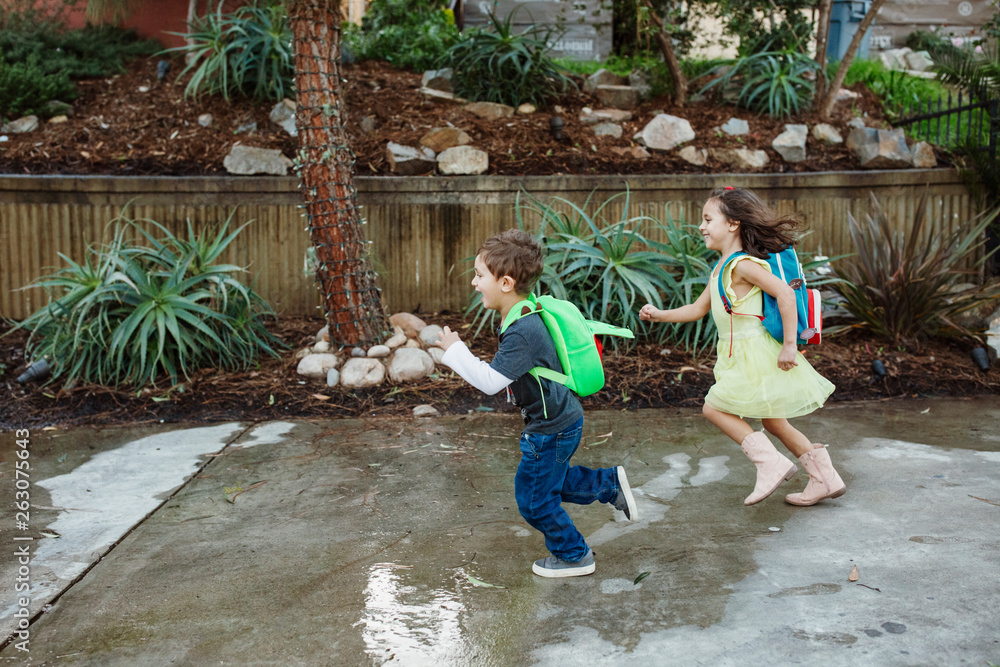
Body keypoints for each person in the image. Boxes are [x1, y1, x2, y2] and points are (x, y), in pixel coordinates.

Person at [436, 228, 638, 578]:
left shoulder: (523, 330)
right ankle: (607, 484)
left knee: (533, 500)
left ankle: (574, 555)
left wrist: (455, 352)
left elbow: (489, 383)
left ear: (506, 283)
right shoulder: (523, 312)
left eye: (480, 275)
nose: (474, 282)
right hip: (560, 421)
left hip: (551, 429)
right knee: (549, 483)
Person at [639, 186, 846, 507]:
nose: (702, 226)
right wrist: (658, 314)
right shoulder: (721, 268)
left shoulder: (742, 265)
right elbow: (697, 309)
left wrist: (790, 344)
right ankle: (825, 477)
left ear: (733, 224)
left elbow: (786, 294)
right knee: (774, 421)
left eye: (708, 219)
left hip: (755, 353)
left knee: (713, 407)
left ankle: (770, 463)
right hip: (739, 354)